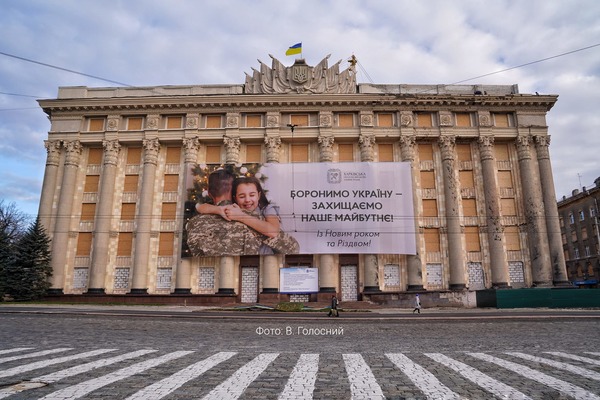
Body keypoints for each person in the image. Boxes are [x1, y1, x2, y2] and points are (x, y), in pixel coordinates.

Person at [198, 176, 299, 255]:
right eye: (242, 196)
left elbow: (273, 231)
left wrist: (241, 216)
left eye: (252, 195)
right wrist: (218, 209)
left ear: (258, 195)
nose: (247, 200)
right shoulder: (233, 208)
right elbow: (200, 207)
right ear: (235, 198)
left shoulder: (267, 209)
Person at [186, 169, 263, 256]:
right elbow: (280, 244)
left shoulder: (194, 223)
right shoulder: (255, 218)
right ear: (234, 191)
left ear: (209, 193)